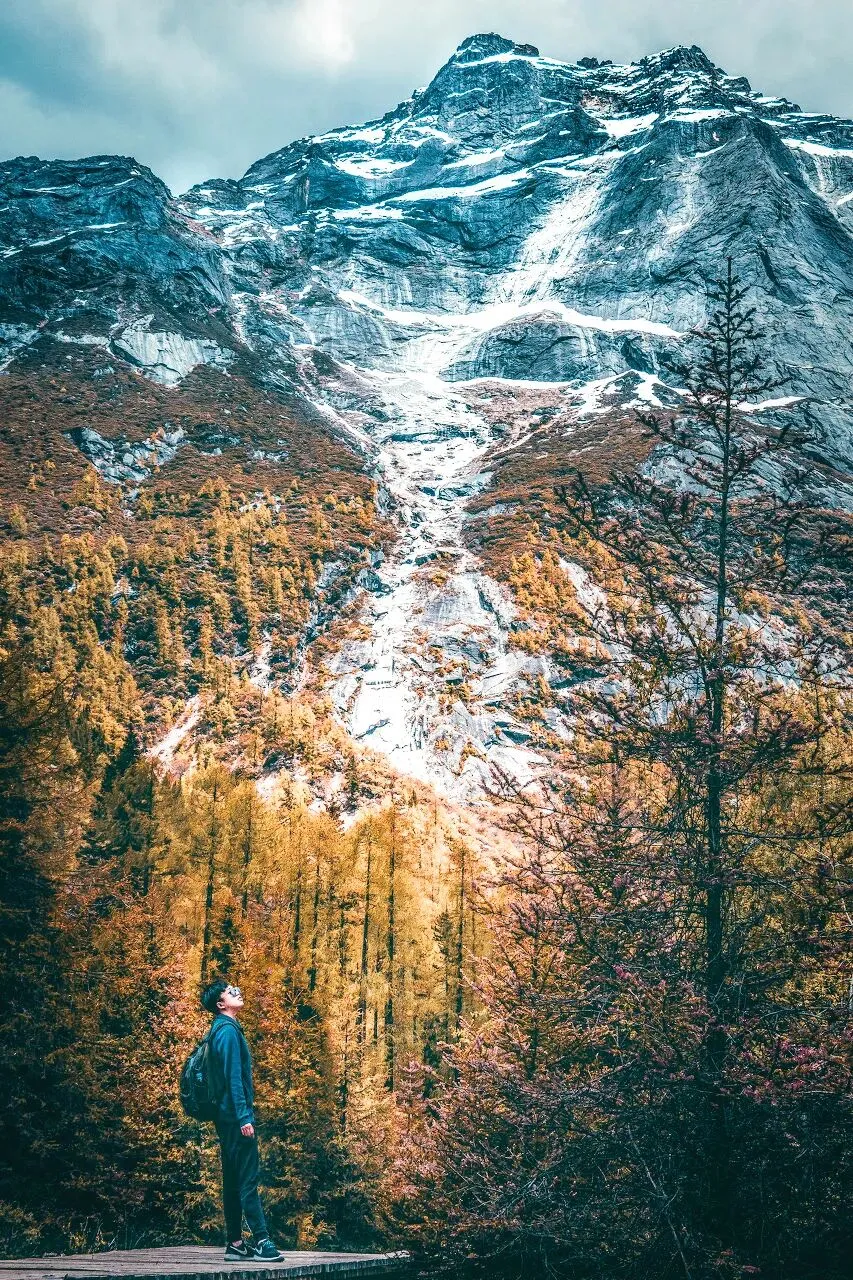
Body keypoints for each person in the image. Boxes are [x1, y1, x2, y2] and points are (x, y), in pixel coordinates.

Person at [200, 980, 285, 1262]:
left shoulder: (223, 1029)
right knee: (248, 1179)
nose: (236, 991)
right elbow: (233, 1079)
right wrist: (244, 1117)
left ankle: (236, 1243)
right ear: (220, 1004)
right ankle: (262, 1241)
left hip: (226, 1118)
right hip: (235, 1118)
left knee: (233, 1179)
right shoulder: (227, 1032)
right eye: (229, 991)